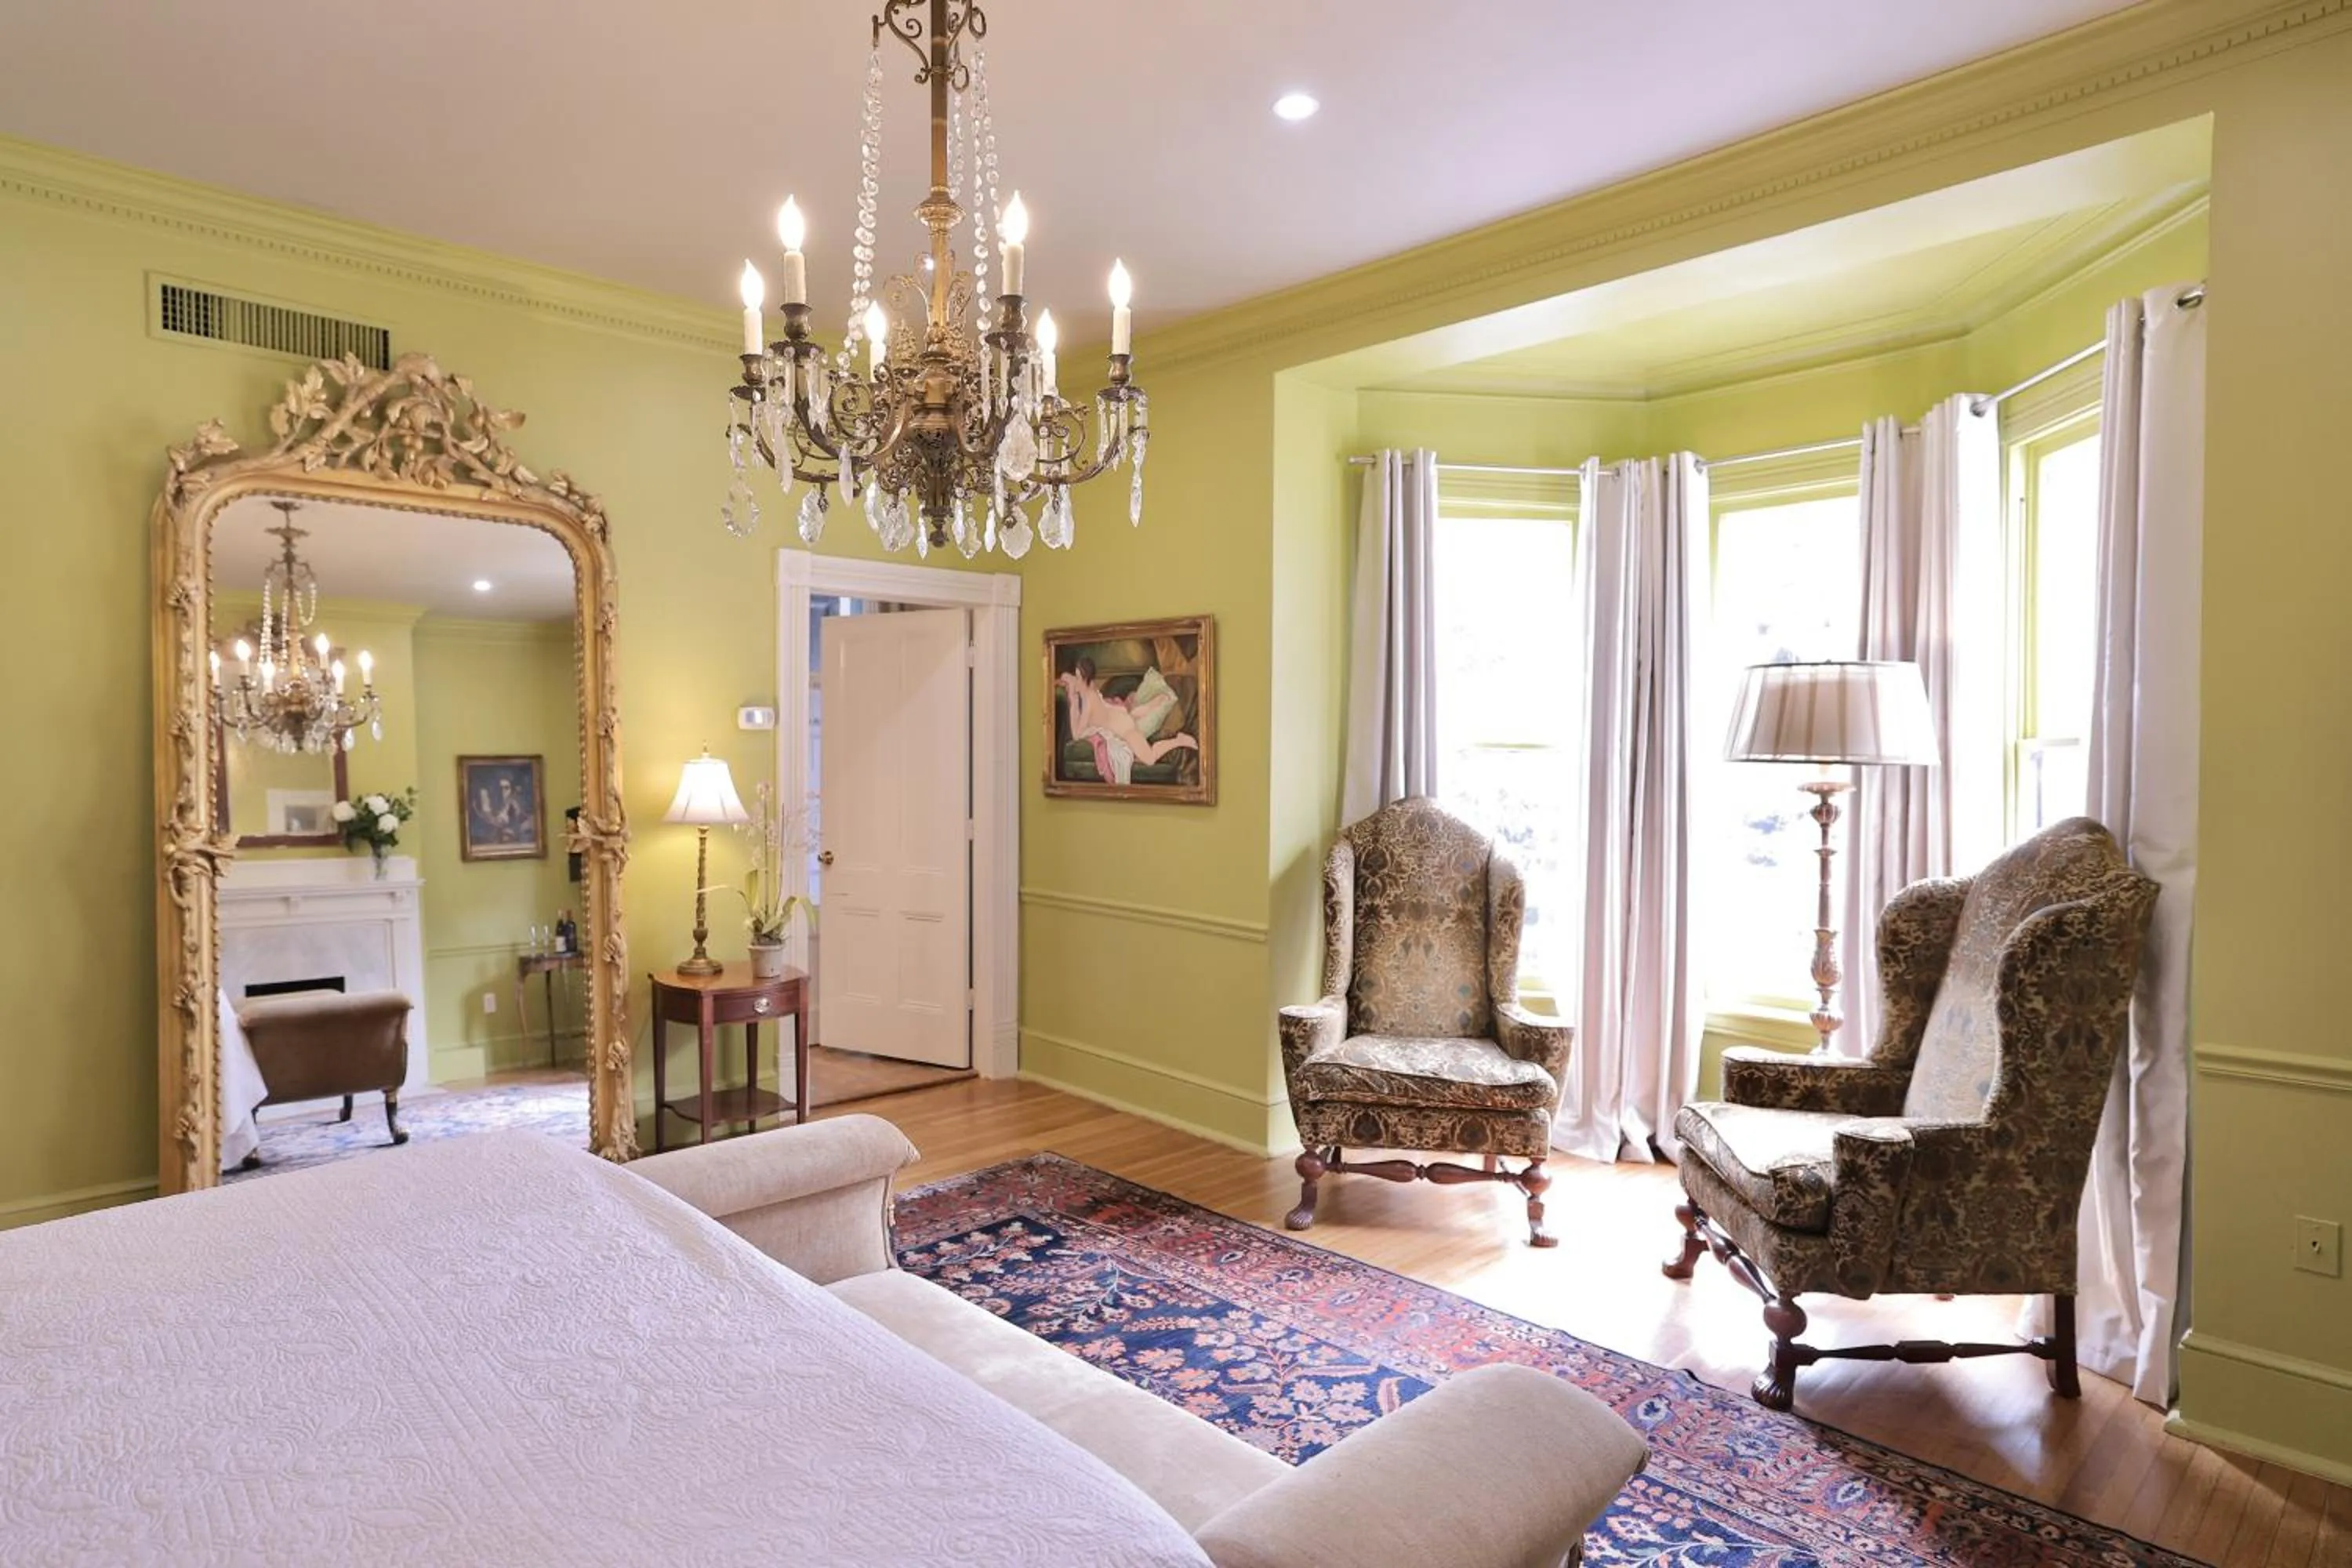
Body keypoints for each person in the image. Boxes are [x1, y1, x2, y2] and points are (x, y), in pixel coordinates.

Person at [1058, 656, 1197, 786]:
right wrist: (1071, 691)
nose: (1073, 682)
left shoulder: (1088, 701)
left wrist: (1072, 698)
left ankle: (1180, 740)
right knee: (1134, 715)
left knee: (1149, 758)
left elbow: (1077, 734)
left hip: (1126, 729)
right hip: (1122, 718)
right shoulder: (1090, 690)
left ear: (1083, 678)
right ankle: (1155, 703)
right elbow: (1067, 679)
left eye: (1076, 677)